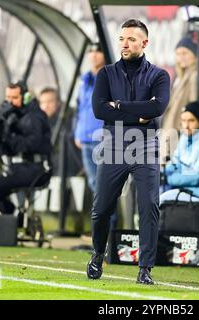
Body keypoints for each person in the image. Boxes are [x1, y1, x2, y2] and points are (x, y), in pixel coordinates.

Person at [87, 19, 170, 285]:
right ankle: (98, 254)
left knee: (148, 207)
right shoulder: (105, 74)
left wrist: (119, 106)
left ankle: (145, 268)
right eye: (122, 38)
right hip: (113, 145)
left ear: (144, 43)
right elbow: (100, 110)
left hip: (146, 146)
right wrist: (139, 111)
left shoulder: (159, 75)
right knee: (101, 209)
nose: (125, 43)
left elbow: (157, 109)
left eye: (131, 39)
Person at [0, 82, 52, 215]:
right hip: (18, 167)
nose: (10, 102)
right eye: (7, 97)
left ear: (25, 97)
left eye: (14, 98)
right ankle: (12, 215)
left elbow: (31, 145)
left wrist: (6, 136)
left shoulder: (34, 117)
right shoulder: (9, 116)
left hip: (36, 169)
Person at [160, 101, 199, 207]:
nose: (186, 126)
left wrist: (168, 179)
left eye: (191, 121)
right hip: (180, 189)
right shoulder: (184, 139)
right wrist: (160, 173)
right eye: (183, 121)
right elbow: (176, 164)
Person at [160, 37, 199, 158]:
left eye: (185, 53)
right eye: (178, 53)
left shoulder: (196, 76)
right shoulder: (182, 76)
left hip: (181, 134)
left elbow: (196, 110)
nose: (180, 57)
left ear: (195, 56)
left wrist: (186, 132)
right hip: (172, 132)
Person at [73, 43, 106, 200]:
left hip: (102, 138)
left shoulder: (111, 77)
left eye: (98, 51)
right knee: (93, 183)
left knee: (103, 184)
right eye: (91, 52)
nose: (94, 55)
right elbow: (79, 107)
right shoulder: (84, 79)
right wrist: (77, 132)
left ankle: (108, 223)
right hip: (85, 138)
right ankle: (101, 223)